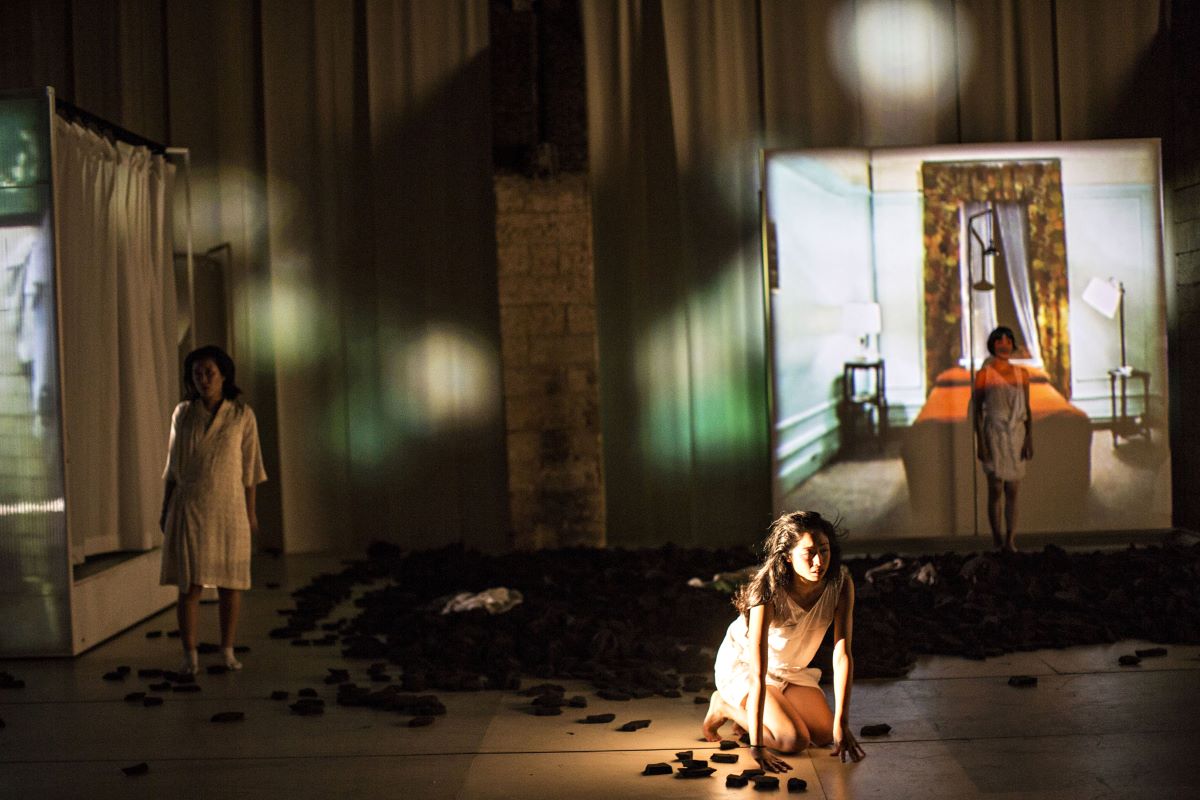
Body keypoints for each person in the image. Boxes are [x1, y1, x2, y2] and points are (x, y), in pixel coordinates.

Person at [702, 511, 865, 771]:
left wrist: (842, 723)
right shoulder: (767, 592)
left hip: (789, 669)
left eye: (824, 551)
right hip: (745, 667)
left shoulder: (840, 584)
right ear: (788, 556)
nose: (818, 561)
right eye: (809, 553)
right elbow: (757, 673)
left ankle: (774, 708)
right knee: (794, 740)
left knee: (825, 734)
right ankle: (724, 707)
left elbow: (842, 655)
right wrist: (757, 745)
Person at [159, 345, 267, 675]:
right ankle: (189, 653)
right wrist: (165, 508)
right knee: (190, 584)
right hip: (190, 505)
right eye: (197, 374)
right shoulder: (183, 413)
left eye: (209, 373)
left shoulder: (241, 414)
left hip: (229, 507)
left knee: (230, 583)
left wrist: (250, 513)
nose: (203, 379)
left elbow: (250, 469)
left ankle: (227, 649)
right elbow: (173, 467)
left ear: (223, 375)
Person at [973, 326, 1033, 552]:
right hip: (994, 434)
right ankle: (997, 540)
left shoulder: (1022, 374)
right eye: (1000, 341)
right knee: (995, 488)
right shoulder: (984, 375)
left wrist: (1029, 438)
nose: (1004, 344)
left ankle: (1011, 540)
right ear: (993, 345)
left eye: (1008, 341)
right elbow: (977, 411)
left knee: (1013, 490)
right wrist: (981, 442)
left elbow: (1027, 408)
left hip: (1016, 434)